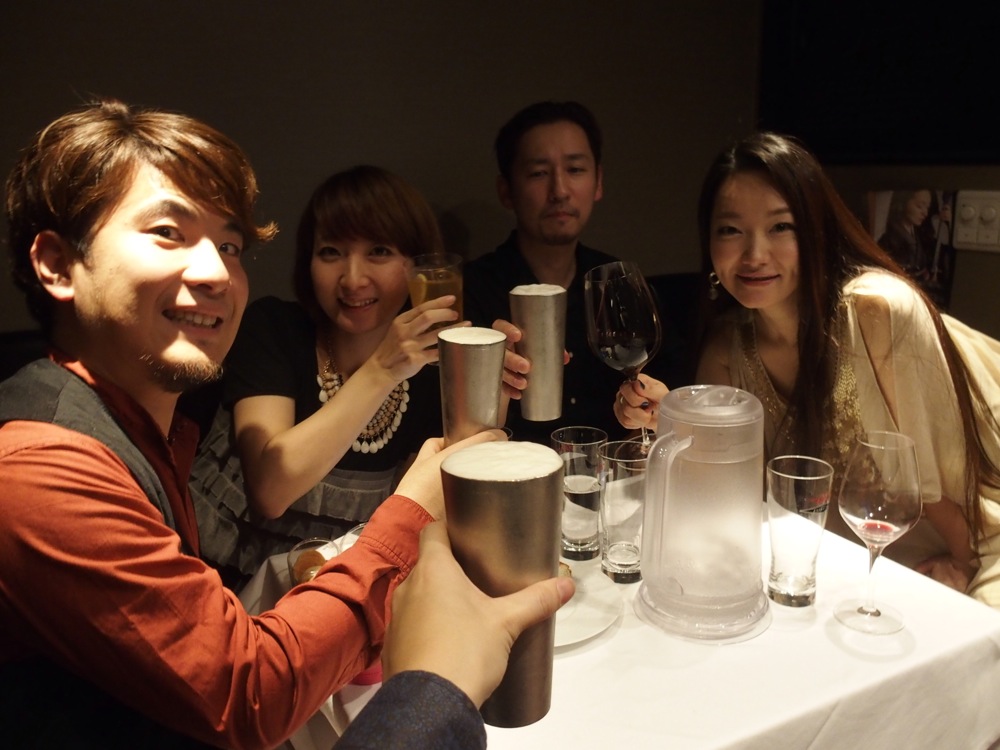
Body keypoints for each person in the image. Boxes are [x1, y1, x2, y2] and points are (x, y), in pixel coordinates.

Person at [0, 98, 572, 748]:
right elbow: (249, 691)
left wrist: (488, 389)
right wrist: (408, 517)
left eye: (229, 245)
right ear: (57, 264)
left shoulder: (143, 430)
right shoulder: (40, 470)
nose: (216, 272)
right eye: (167, 232)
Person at [615, 131, 1000, 608]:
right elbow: (735, 498)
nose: (755, 255)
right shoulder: (728, 346)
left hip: (960, 539)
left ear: (816, 232)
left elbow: (941, 483)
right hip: (834, 561)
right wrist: (671, 419)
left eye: (781, 227)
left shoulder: (876, 312)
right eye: (731, 230)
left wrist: (964, 567)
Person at [191, 165, 455, 586]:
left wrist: (495, 386)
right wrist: (382, 369)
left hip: (331, 595)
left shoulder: (426, 374)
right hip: (218, 583)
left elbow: (416, 516)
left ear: (417, 266)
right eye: (331, 252)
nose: (352, 279)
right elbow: (271, 490)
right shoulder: (273, 327)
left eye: (379, 252)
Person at [463, 100, 625, 445]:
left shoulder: (617, 282)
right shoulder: (473, 288)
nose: (560, 191)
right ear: (506, 190)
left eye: (575, 169)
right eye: (538, 173)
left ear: (598, 182)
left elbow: (667, 389)